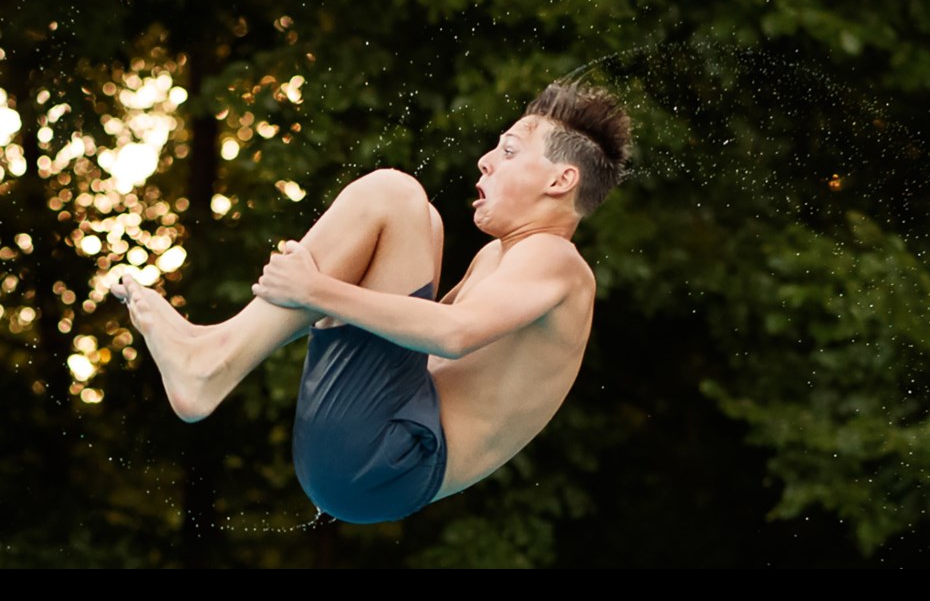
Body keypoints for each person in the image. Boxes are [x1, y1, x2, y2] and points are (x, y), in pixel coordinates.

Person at [112, 81, 632, 523]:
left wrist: (313, 288)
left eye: (511, 151)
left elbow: (452, 335)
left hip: (396, 457)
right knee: (420, 219)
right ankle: (217, 350)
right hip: (378, 457)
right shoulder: (501, 257)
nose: (487, 160)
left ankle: (211, 364)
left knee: (394, 193)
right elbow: (395, 326)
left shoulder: (556, 259)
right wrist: (319, 298)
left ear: (562, 181)